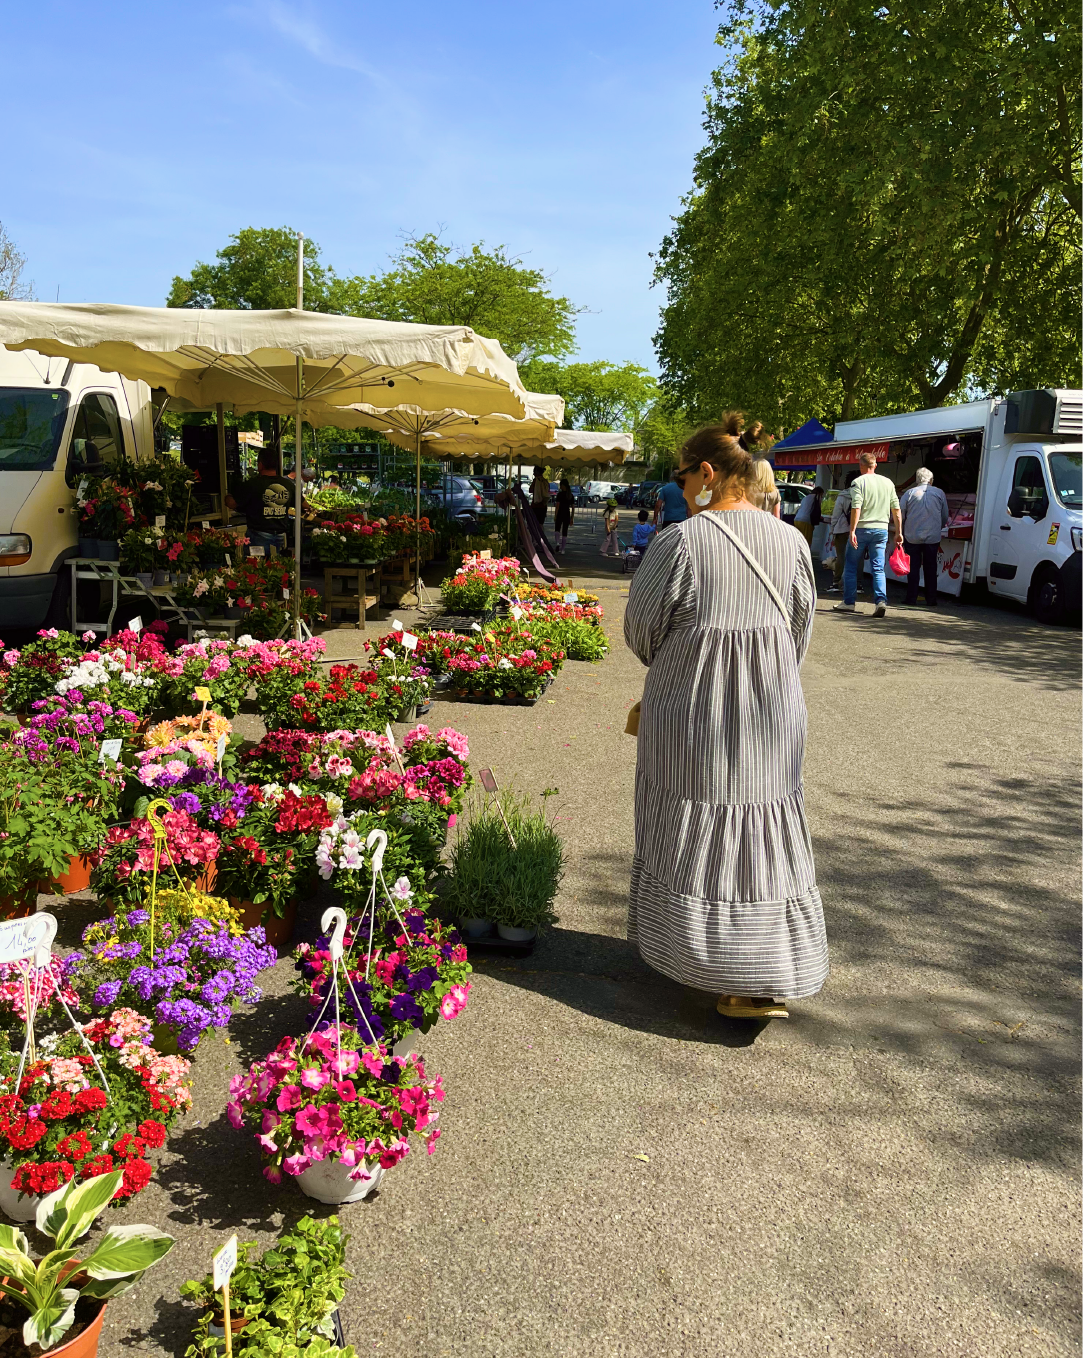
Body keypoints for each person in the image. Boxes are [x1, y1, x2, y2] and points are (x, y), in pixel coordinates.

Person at [624, 425, 826, 1022]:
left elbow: (641, 633)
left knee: (695, 821)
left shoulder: (680, 542)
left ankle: (707, 958)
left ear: (707, 473)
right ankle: (761, 972)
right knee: (765, 828)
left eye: (684, 477)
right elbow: (799, 634)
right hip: (772, 710)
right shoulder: (791, 544)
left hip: (694, 711)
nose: (681, 489)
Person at [834, 452, 902, 618]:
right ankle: (881, 601)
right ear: (875, 465)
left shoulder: (858, 482)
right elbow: (896, 510)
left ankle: (849, 602)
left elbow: (856, 507)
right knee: (878, 568)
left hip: (862, 529)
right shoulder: (888, 483)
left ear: (861, 465)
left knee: (850, 566)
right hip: (881, 530)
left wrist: (852, 530)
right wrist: (899, 532)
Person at [227, 448, 305, 555]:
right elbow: (304, 505)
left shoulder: (252, 484)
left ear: (260, 465)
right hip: (280, 536)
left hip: (258, 536)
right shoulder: (288, 485)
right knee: (276, 569)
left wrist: (227, 495)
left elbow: (232, 504)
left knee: (255, 568)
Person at [899, 467, 949, 607]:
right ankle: (931, 599)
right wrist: (938, 527)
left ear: (916, 480)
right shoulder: (940, 493)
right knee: (931, 568)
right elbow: (944, 515)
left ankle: (911, 598)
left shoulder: (909, 493)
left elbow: (901, 514)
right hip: (932, 537)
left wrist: (901, 529)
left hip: (912, 535)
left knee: (913, 567)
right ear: (931, 480)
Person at [825, 472, 859, 594]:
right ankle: (858, 584)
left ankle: (836, 582)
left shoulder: (842, 495)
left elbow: (836, 514)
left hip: (841, 529)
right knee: (857, 557)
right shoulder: (862, 495)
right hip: (857, 529)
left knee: (840, 557)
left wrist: (832, 529)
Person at [554, 478, 575, 552]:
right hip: (567, 514)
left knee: (557, 529)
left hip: (560, 513)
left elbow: (557, 506)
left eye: (560, 485)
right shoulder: (570, 495)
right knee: (565, 531)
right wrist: (572, 517)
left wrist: (555, 515)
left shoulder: (560, 494)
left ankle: (557, 543)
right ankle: (563, 549)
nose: (560, 487)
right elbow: (573, 507)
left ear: (563, 485)